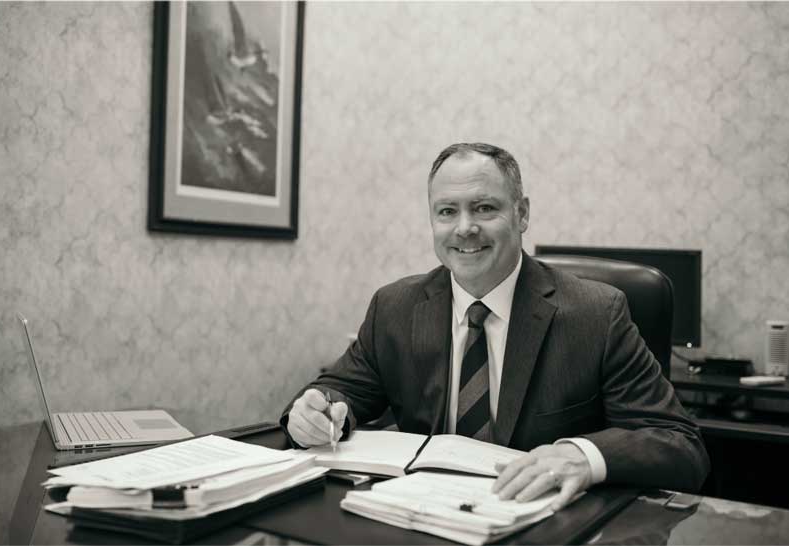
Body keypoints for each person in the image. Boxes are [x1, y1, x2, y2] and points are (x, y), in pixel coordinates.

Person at [282, 142, 710, 510]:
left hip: (542, 527)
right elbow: (338, 392)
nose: (465, 228)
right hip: (421, 518)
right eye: (447, 211)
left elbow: (680, 445)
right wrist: (313, 410)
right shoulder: (395, 307)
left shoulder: (597, 313)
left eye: (484, 208)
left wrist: (584, 455)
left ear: (521, 214)